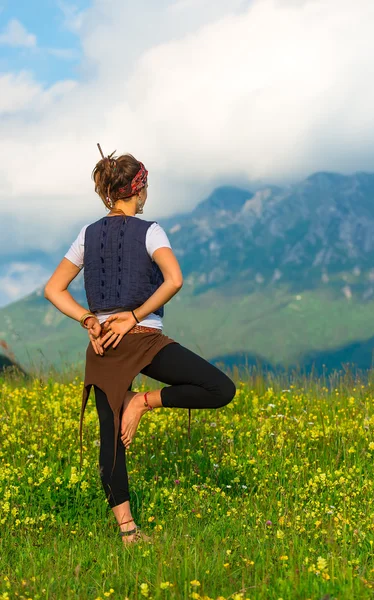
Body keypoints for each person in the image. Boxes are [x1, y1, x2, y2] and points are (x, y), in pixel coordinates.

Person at [44, 145, 236, 544]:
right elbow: (174, 280)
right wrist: (133, 315)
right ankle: (144, 402)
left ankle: (128, 532)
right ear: (139, 188)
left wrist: (88, 320)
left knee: (110, 440)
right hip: (144, 339)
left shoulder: (87, 233)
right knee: (220, 389)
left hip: (104, 346)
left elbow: (53, 289)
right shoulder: (152, 231)